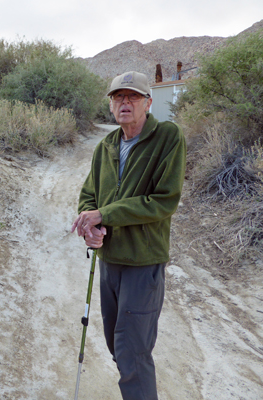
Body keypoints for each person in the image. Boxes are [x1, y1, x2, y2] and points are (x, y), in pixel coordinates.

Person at [70, 71, 187, 400]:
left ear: (148, 103)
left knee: (133, 352)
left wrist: (106, 214)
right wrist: (91, 227)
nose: (125, 102)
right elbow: (89, 197)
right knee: (117, 345)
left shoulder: (167, 137)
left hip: (142, 263)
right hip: (109, 263)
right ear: (110, 105)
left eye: (133, 96)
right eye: (118, 97)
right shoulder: (104, 147)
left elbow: (163, 201)